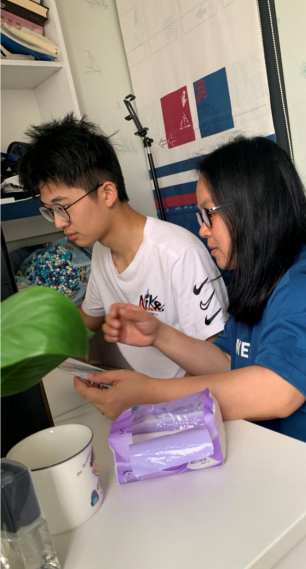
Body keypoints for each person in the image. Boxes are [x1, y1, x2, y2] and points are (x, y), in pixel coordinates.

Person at [74, 135, 306, 569]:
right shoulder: (256, 278)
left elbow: (275, 392)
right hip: (298, 476)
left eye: (209, 214)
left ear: (251, 207)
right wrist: (160, 334)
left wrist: (147, 394)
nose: (203, 230)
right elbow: (228, 362)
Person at [18, 114, 227, 378]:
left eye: (63, 207)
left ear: (107, 193)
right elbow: (89, 320)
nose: (59, 222)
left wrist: (149, 395)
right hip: (151, 393)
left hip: (191, 396)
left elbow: (218, 367)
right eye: (51, 211)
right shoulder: (101, 252)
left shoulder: (179, 254)